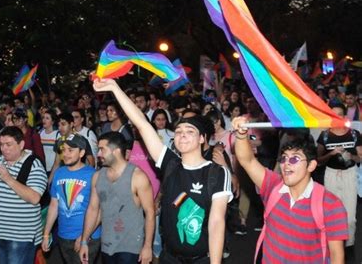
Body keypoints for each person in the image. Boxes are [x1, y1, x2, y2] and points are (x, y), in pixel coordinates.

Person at [90, 79, 232, 264]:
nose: (182, 134)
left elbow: (216, 223)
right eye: (179, 131)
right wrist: (114, 88)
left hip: (202, 259)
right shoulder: (170, 165)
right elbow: (141, 123)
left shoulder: (217, 173)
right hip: (169, 258)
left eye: (190, 131)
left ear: (202, 139)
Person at [232, 116, 348, 263]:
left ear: (311, 165)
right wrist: (241, 134)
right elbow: (247, 160)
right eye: (284, 158)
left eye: (294, 159)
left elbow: (337, 256)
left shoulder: (331, 205)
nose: (286, 164)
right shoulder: (273, 186)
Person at [0, 126, 47, 264]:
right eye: (1, 144)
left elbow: (34, 198)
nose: (4, 148)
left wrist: (8, 178)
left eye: (9, 144)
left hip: (21, 234)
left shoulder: (34, 164)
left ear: (21, 145)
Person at [80, 131, 154, 264]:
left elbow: (150, 212)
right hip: (107, 244)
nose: (98, 154)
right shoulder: (97, 177)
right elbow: (93, 210)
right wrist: (84, 240)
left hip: (131, 247)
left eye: (102, 150)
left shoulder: (138, 177)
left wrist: (148, 246)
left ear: (116, 151)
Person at [42, 134, 101, 264]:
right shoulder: (59, 173)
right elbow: (53, 205)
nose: (66, 154)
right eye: (63, 150)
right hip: (64, 235)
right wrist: (46, 234)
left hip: (87, 238)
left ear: (82, 153)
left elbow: (99, 210)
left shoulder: (93, 175)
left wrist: (85, 237)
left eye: (70, 150)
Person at [316, 103, 361, 249]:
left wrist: (351, 156)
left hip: (350, 175)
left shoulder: (354, 134)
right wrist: (331, 153)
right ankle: (333, 245)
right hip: (331, 175)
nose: (336, 117)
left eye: (339, 114)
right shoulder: (325, 135)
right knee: (332, 214)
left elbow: (360, 158)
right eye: (333, 114)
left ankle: (349, 246)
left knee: (350, 219)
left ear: (344, 116)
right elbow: (318, 160)